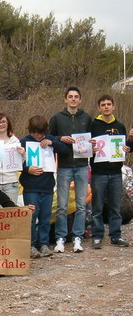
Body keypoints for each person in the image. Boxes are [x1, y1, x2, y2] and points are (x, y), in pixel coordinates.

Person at [49, 86, 92, 253]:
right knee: (61, 205)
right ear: (65, 99)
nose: (73, 99)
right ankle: (61, 238)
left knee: (81, 205)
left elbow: (92, 138)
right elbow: (49, 138)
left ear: (80, 100)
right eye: (70, 96)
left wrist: (93, 145)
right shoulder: (57, 118)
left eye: (76, 97)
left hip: (81, 165)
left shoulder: (86, 117)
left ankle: (77, 237)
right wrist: (60, 138)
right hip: (64, 166)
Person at [20, 116, 68, 258]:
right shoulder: (23, 141)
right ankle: (32, 245)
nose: (39, 136)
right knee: (32, 217)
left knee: (45, 217)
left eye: (41, 133)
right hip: (31, 187)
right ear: (30, 130)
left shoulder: (49, 139)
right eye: (36, 133)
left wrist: (53, 141)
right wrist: (27, 169)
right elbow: (15, 162)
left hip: (47, 186)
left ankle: (44, 244)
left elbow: (65, 150)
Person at [91, 95, 131, 249]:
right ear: (99, 108)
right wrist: (91, 149)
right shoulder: (93, 125)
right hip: (98, 172)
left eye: (109, 104)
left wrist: (127, 148)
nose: (106, 107)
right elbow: (86, 147)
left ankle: (116, 235)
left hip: (115, 172)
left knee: (116, 206)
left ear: (113, 106)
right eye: (103, 104)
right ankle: (97, 236)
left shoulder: (120, 126)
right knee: (97, 207)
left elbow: (124, 147)